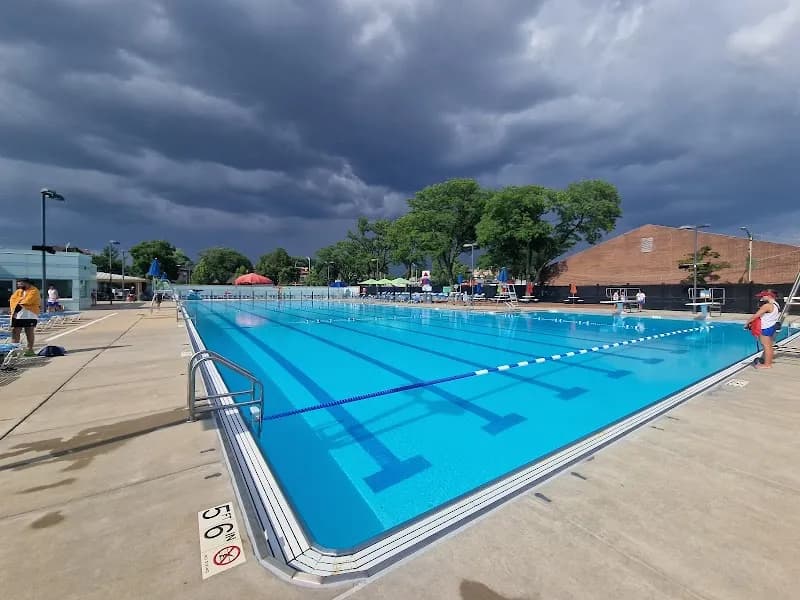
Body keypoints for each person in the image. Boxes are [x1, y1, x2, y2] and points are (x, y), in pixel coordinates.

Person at [745, 289, 781, 370]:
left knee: (766, 346)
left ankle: (767, 364)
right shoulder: (776, 304)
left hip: (765, 328)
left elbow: (756, 316)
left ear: (768, 296)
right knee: (769, 346)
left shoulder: (767, 306)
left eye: (763, 296)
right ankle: (767, 361)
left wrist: (747, 323)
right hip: (771, 327)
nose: (761, 297)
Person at [10, 279, 41, 357]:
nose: (19, 286)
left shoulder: (34, 290)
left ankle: (30, 350)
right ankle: (14, 350)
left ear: (27, 283)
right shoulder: (18, 291)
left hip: (30, 315)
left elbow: (27, 301)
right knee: (15, 331)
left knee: (29, 332)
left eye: (20, 284)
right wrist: (18, 302)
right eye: (18, 284)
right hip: (17, 315)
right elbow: (12, 300)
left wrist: (19, 301)